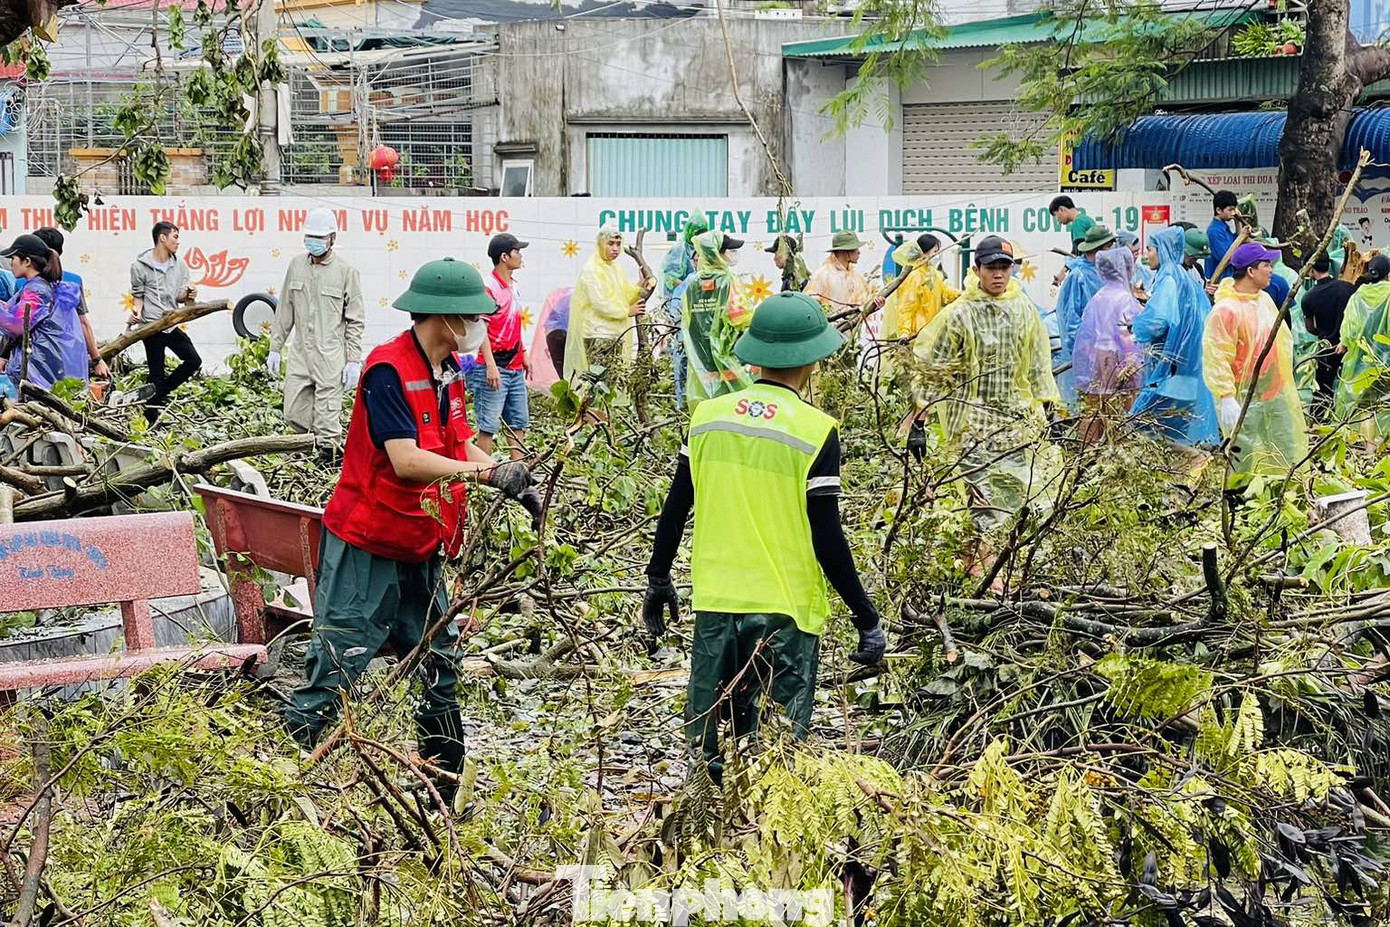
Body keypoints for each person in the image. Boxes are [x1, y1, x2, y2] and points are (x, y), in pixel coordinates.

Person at [283, 258, 543, 798]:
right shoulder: (387, 370)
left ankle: (442, 787)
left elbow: (457, 442)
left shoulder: (447, 370)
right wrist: (485, 471)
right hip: (367, 545)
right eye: (473, 317)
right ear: (444, 318)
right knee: (339, 662)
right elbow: (405, 459)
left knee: (440, 663)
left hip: (421, 543)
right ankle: (284, 784)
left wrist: (505, 476)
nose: (479, 327)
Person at [642, 291, 886, 785]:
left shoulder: (708, 417)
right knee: (775, 755)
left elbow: (674, 509)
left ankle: (699, 846)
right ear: (813, 360)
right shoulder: (815, 430)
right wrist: (866, 616)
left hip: (716, 600)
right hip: (785, 609)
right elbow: (827, 537)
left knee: (706, 750)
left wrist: (658, 577)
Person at [911, 236, 1060, 583]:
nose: (998, 274)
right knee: (982, 500)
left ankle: (981, 566)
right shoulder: (960, 314)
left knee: (1018, 499)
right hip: (973, 424)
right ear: (976, 269)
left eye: (1004, 267)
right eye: (991, 267)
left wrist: (1050, 407)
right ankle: (988, 578)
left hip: (1016, 421)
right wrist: (920, 418)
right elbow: (935, 370)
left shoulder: (1023, 309)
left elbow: (1038, 363)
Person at [1203, 243, 1309, 479]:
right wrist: (1226, 396)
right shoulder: (1226, 311)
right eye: (1266, 265)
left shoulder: (1263, 301)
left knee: (1284, 446)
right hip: (1244, 395)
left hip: (1273, 390)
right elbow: (1216, 356)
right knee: (1245, 454)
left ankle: (1286, 490)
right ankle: (1240, 504)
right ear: (1251, 271)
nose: (1271, 269)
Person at [266, 208, 365, 455]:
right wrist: (275, 348)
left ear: (332, 238)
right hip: (300, 354)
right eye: (310, 236)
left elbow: (355, 320)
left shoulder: (346, 272)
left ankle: (327, 462)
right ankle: (305, 457)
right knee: (293, 413)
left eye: (320, 237)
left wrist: (353, 360)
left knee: (327, 421)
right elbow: (285, 310)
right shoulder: (296, 266)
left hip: (330, 356)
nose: (314, 242)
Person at [1129, 226, 1220, 447]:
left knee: (1142, 431)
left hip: (1170, 376)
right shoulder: (1185, 279)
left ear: (1163, 250)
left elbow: (1157, 322)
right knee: (1175, 435)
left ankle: (1197, 462)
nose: (1146, 254)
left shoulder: (1169, 278)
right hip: (1187, 374)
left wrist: (1136, 327)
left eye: (1150, 248)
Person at [467, 232, 531, 460]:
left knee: (518, 423)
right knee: (488, 426)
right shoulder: (489, 287)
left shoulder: (513, 286)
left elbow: (514, 322)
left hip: (514, 367)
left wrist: (523, 353)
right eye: (517, 251)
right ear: (504, 257)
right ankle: (484, 477)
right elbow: (480, 329)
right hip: (493, 366)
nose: (521, 255)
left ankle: (520, 473)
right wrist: (491, 366)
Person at [130, 221, 200, 423]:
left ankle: (157, 395)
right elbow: (138, 296)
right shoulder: (139, 266)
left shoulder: (180, 265)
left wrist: (189, 293)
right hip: (151, 326)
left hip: (171, 323)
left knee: (193, 360)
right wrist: (136, 311)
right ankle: (150, 420)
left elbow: (180, 297)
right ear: (162, 237)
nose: (178, 242)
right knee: (156, 372)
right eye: (175, 237)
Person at [1072, 248, 1144, 443]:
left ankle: (1087, 450)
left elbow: (1087, 334)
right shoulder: (1125, 298)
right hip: (1118, 359)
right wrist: (1132, 362)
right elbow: (1127, 334)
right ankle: (1117, 451)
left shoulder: (1098, 296)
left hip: (1098, 357)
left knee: (1095, 408)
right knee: (1119, 412)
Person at [564, 223, 649, 383]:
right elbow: (601, 303)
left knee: (609, 385)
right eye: (610, 244)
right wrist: (627, 311)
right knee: (596, 385)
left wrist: (639, 286)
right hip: (597, 335)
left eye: (618, 244)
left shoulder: (615, 268)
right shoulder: (592, 269)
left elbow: (623, 294)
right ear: (600, 244)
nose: (615, 248)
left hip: (614, 335)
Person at [0, 233, 84, 390]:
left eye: (13, 259)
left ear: (27, 261)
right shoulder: (36, 286)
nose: (11, 264)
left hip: (37, 370)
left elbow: (18, 325)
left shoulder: (36, 290)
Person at [682, 231, 752, 408]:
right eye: (728, 250)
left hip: (702, 360)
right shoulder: (728, 281)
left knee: (711, 405)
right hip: (730, 357)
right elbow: (741, 319)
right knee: (734, 405)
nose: (732, 254)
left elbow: (689, 323)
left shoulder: (693, 285)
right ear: (716, 253)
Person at [1054, 225, 1117, 407]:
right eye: (1108, 248)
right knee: (1088, 410)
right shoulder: (1078, 276)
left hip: (1108, 351)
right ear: (1098, 250)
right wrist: (1083, 352)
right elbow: (1071, 320)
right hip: (1088, 353)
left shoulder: (1106, 273)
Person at [34, 227, 108, 381]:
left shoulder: (24, 281)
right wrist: (97, 360)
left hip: (35, 354)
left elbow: (15, 327)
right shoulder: (73, 280)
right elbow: (83, 323)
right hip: (69, 354)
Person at [1334, 254, 1390, 441]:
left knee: (1366, 407)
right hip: (1386, 361)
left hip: (1360, 362)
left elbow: (1349, 330)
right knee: (1383, 406)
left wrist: (1344, 344)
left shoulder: (1358, 296)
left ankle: (1368, 450)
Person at [661, 209, 711, 408]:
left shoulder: (704, 250)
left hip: (700, 319)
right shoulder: (680, 251)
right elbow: (671, 281)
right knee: (683, 363)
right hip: (683, 312)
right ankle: (682, 405)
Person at [1299, 257, 1356, 420]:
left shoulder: (1309, 297)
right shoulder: (1349, 288)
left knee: (1322, 390)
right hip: (1351, 346)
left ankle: (1318, 424)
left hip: (1327, 348)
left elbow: (1310, 328)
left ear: (1311, 270)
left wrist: (1323, 332)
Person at [882, 233, 960, 340]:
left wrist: (961, 295)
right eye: (935, 252)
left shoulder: (934, 274)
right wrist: (905, 332)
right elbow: (906, 307)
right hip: (917, 334)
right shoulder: (914, 276)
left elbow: (944, 293)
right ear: (924, 253)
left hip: (932, 331)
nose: (937, 256)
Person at [804, 231, 882, 316]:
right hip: (830, 327)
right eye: (854, 249)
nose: (858, 252)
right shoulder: (822, 274)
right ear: (845, 252)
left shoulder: (856, 277)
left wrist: (877, 304)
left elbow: (865, 304)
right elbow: (809, 304)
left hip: (852, 327)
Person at [1205, 190, 1241, 283]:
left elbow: (1238, 241)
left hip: (1228, 277)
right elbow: (1227, 258)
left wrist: (1238, 221)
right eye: (1230, 210)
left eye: (1234, 209)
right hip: (1219, 280)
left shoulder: (1224, 227)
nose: (1233, 213)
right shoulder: (1214, 231)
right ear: (1218, 210)